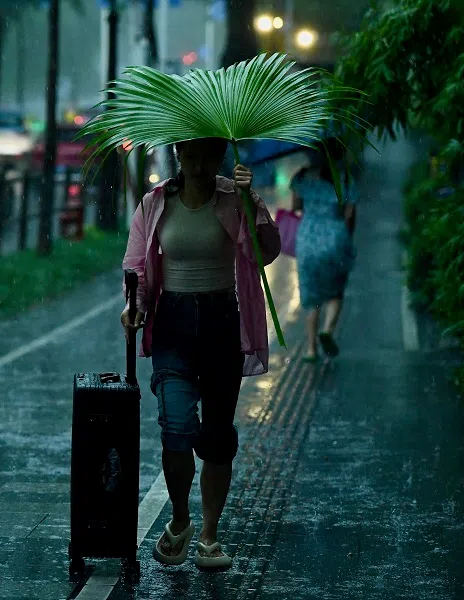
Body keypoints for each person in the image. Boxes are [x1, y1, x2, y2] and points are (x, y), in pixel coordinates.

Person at [120, 137, 281, 569]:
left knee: (215, 435)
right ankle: (180, 519)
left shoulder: (234, 197)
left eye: (207, 155)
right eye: (189, 154)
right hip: (172, 322)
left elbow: (267, 251)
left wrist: (251, 202)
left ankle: (209, 536)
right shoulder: (156, 203)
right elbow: (136, 265)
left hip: (220, 322)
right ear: (178, 156)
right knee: (174, 426)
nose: (197, 163)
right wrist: (134, 306)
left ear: (219, 158)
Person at [290, 148, 357, 361]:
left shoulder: (302, 176)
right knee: (335, 291)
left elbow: (295, 207)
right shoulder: (345, 178)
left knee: (311, 295)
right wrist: (345, 239)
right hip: (335, 238)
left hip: (308, 239)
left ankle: (310, 350)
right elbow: (350, 213)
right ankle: (327, 330)